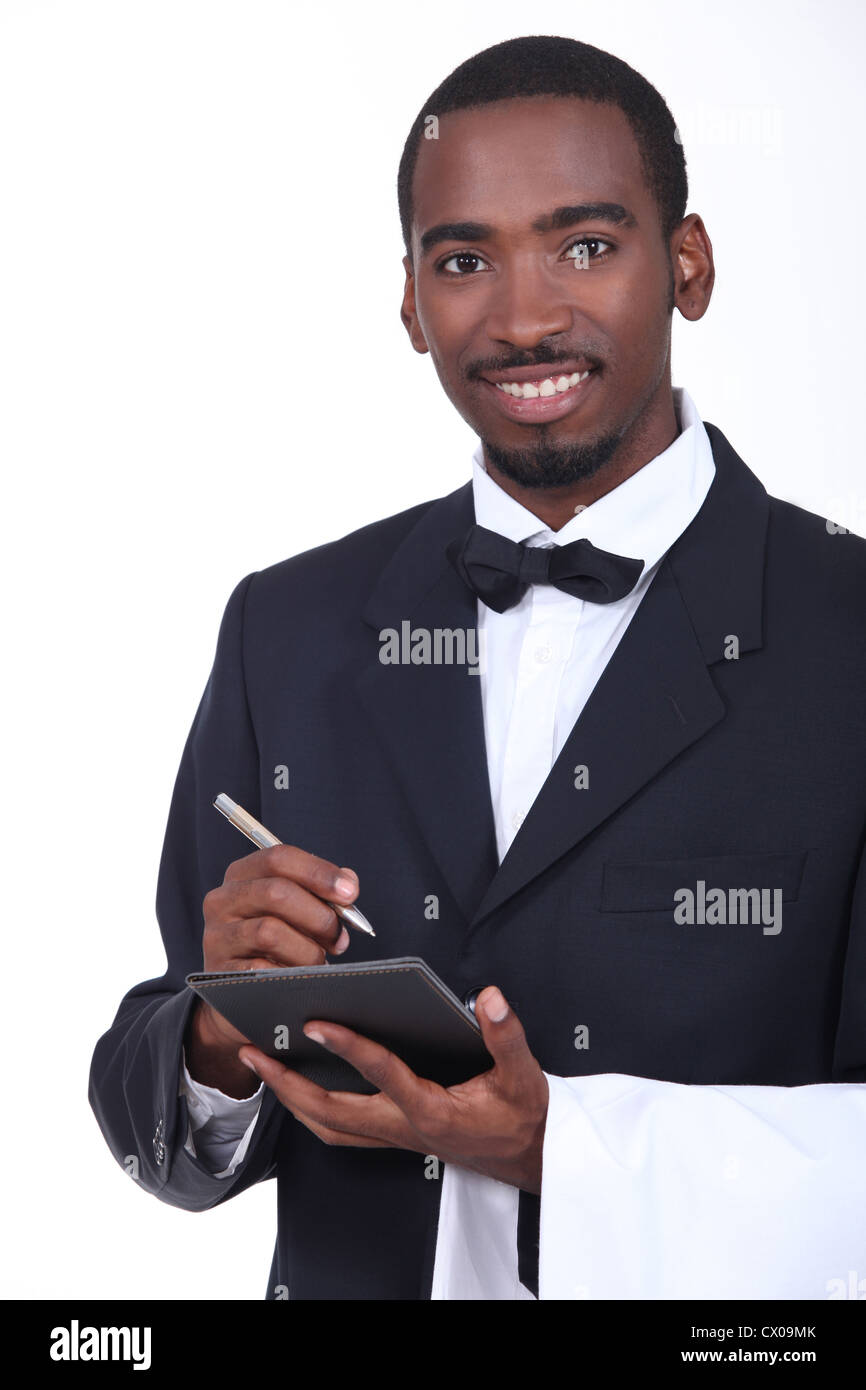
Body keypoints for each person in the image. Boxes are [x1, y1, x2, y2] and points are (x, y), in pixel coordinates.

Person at [89, 34, 866, 1300]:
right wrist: (216, 1039)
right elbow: (165, 1124)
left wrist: (565, 1146)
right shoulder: (285, 625)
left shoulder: (848, 634)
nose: (522, 318)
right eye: (463, 260)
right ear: (406, 301)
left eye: (585, 244)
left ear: (689, 263)